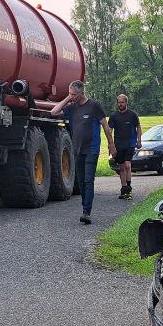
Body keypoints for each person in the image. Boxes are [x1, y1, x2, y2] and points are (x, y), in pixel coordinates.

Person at [47, 80, 113, 224]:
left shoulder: (94, 106)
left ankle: (86, 212)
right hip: (77, 150)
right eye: (70, 94)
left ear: (82, 93)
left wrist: (111, 144)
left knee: (89, 180)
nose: (72, 97)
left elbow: (106, 126)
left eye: (74, 94)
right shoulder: (72, 107)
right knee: (82, 182)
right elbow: (53, 112)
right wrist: (67, 98)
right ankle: (85, 206)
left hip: (92, 149)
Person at [108, 93, 141, 199]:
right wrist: (110, 145)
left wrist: (139, 141)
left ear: (126, 103)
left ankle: (129, 187)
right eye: (119, 102)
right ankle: (124, 189)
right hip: (119, 144)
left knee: (127, 165)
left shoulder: (132, 115)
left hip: (130, 144)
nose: (120, 104)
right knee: (121, 167)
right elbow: (110, 130)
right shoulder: (113, 116)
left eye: (122, 102)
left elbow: (138, 127)